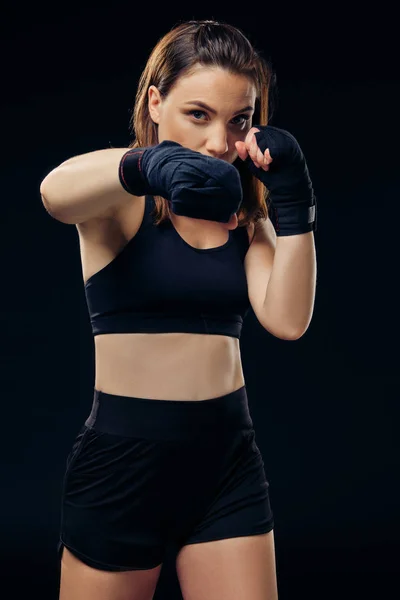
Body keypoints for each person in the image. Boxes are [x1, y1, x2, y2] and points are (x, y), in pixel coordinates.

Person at [40, 19, 317, 600]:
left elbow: (287, 320)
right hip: (122, 467)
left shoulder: (245, 215)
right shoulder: (118, 203)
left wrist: (292, 204)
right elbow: (54, 192)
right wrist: (146, 167)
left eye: (237, 119)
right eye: (198, 115)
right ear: (156, 102)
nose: (219, 142)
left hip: (226, 465)